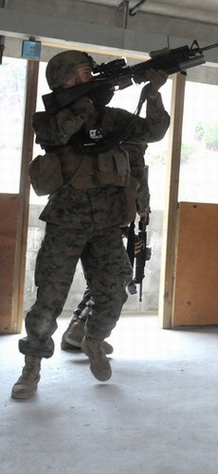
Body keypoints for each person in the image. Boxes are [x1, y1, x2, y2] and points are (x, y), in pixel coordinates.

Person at [11, 50, 171, 400]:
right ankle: (32, 367)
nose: (90, 78)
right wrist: (91, 99)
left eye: (90, 75)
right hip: (66, 222)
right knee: (49, 300)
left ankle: (94, 339)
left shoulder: (110, 117)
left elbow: (154, 131)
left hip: (107, 225)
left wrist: (155, 92)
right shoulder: (48, 119)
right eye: (83, 74)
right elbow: (60, 133)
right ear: (64, 81)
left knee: (115, 289)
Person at [59, 141, 151, 355]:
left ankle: (76, 332)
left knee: (99, 280)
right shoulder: (132, 152)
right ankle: (91, 335)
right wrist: (143, 208)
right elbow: (138, 193)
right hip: (105, 226)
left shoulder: (102, 149)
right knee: (119, 279)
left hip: (78, 221)